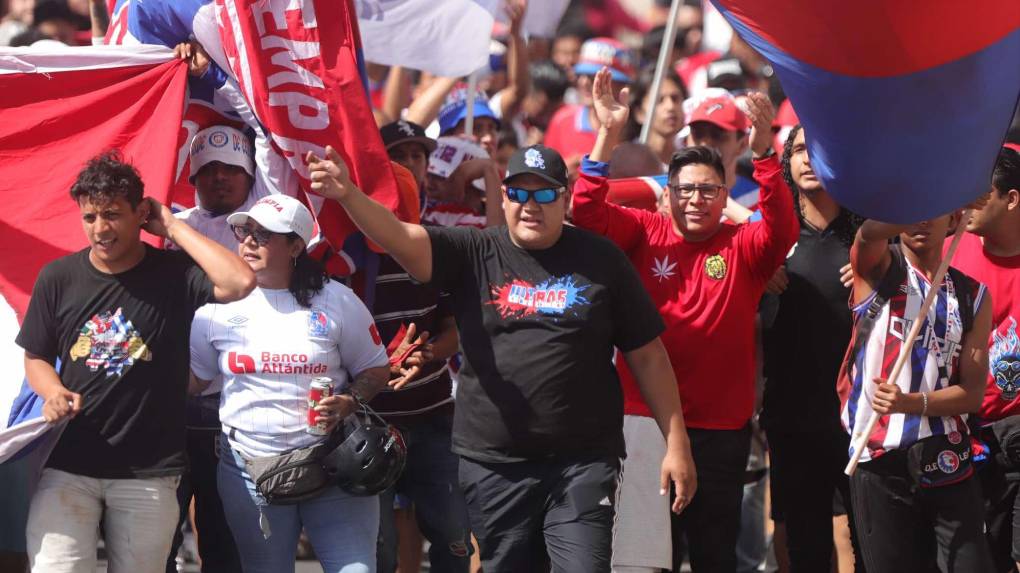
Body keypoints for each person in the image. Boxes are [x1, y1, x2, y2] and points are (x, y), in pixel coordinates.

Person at [306, 137, 697, 572]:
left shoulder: (602, 259)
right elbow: (400, 236)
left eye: (545, 193)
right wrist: (348, 195)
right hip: (494, 465)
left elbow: (649, 356)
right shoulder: (474, 251)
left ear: (564, 198)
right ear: (505, 197)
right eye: (518, 193)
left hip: (582, 462)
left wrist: (676, 442)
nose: (531, 205)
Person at [571, 68, 798, 572]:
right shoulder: (643, 231)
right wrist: (607, 134)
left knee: (714, 554)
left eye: (709, 191)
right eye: (686, 190)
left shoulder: (745, 248)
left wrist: (764, 152)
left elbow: (782, 227)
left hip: (720, 428)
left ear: (725, 196)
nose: (696, 200)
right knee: (644, 558)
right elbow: (586, 213)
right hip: (642, 421)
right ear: (667, 193)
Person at [16, 151, 255, 573]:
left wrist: (174, 226)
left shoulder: (175, 273)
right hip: (67, 464)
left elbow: (239, 281)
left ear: (141, 213)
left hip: (150, 471)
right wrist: (52, 391)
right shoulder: (58, 277)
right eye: (90, 217)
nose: (100, 229)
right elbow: (35, 356)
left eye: (112, 215)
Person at [188, 194, 391, 573]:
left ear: (297, 246)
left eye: (264, 235)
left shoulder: (337, 300)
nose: (248, 240)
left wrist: (349, 400)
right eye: (244, 230)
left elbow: (376, 370)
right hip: (251, 473)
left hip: (334, 468)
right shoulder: (214, 309)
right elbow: (193, 383)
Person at [840, 206, 994, 572]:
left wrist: (909, 402)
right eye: (914, 211)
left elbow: (972, 394)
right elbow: (867, 236)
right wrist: (919, 201)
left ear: (955, 221)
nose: (921, 221)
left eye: (935, 212)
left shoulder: (972, 295)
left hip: (946, 453)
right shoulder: (880, 269)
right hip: (879, 456)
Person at [760, 125, 863, 573]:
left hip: (858, 416)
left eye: (819, 149)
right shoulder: (768, 239)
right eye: (799, 150)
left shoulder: (872, 238)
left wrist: (885, 268)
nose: (808, 159)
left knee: (861, 538)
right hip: (789, 414)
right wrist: (756, 279)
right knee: (801, 543)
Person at [164, 124, 259, 573]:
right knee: (154, 540)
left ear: (251, 174)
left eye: (232, 169)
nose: (221, 177)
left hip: (236, 407)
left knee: (225, 546)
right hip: (170, 403)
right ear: (193, 177)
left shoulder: (269, 226)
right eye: (209, 169)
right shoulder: (167, 227)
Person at [948, 145, 1020, 571]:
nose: (965, 205)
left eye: (978, 194)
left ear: (1011, 198)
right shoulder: (951, 252)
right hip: (972, 434)